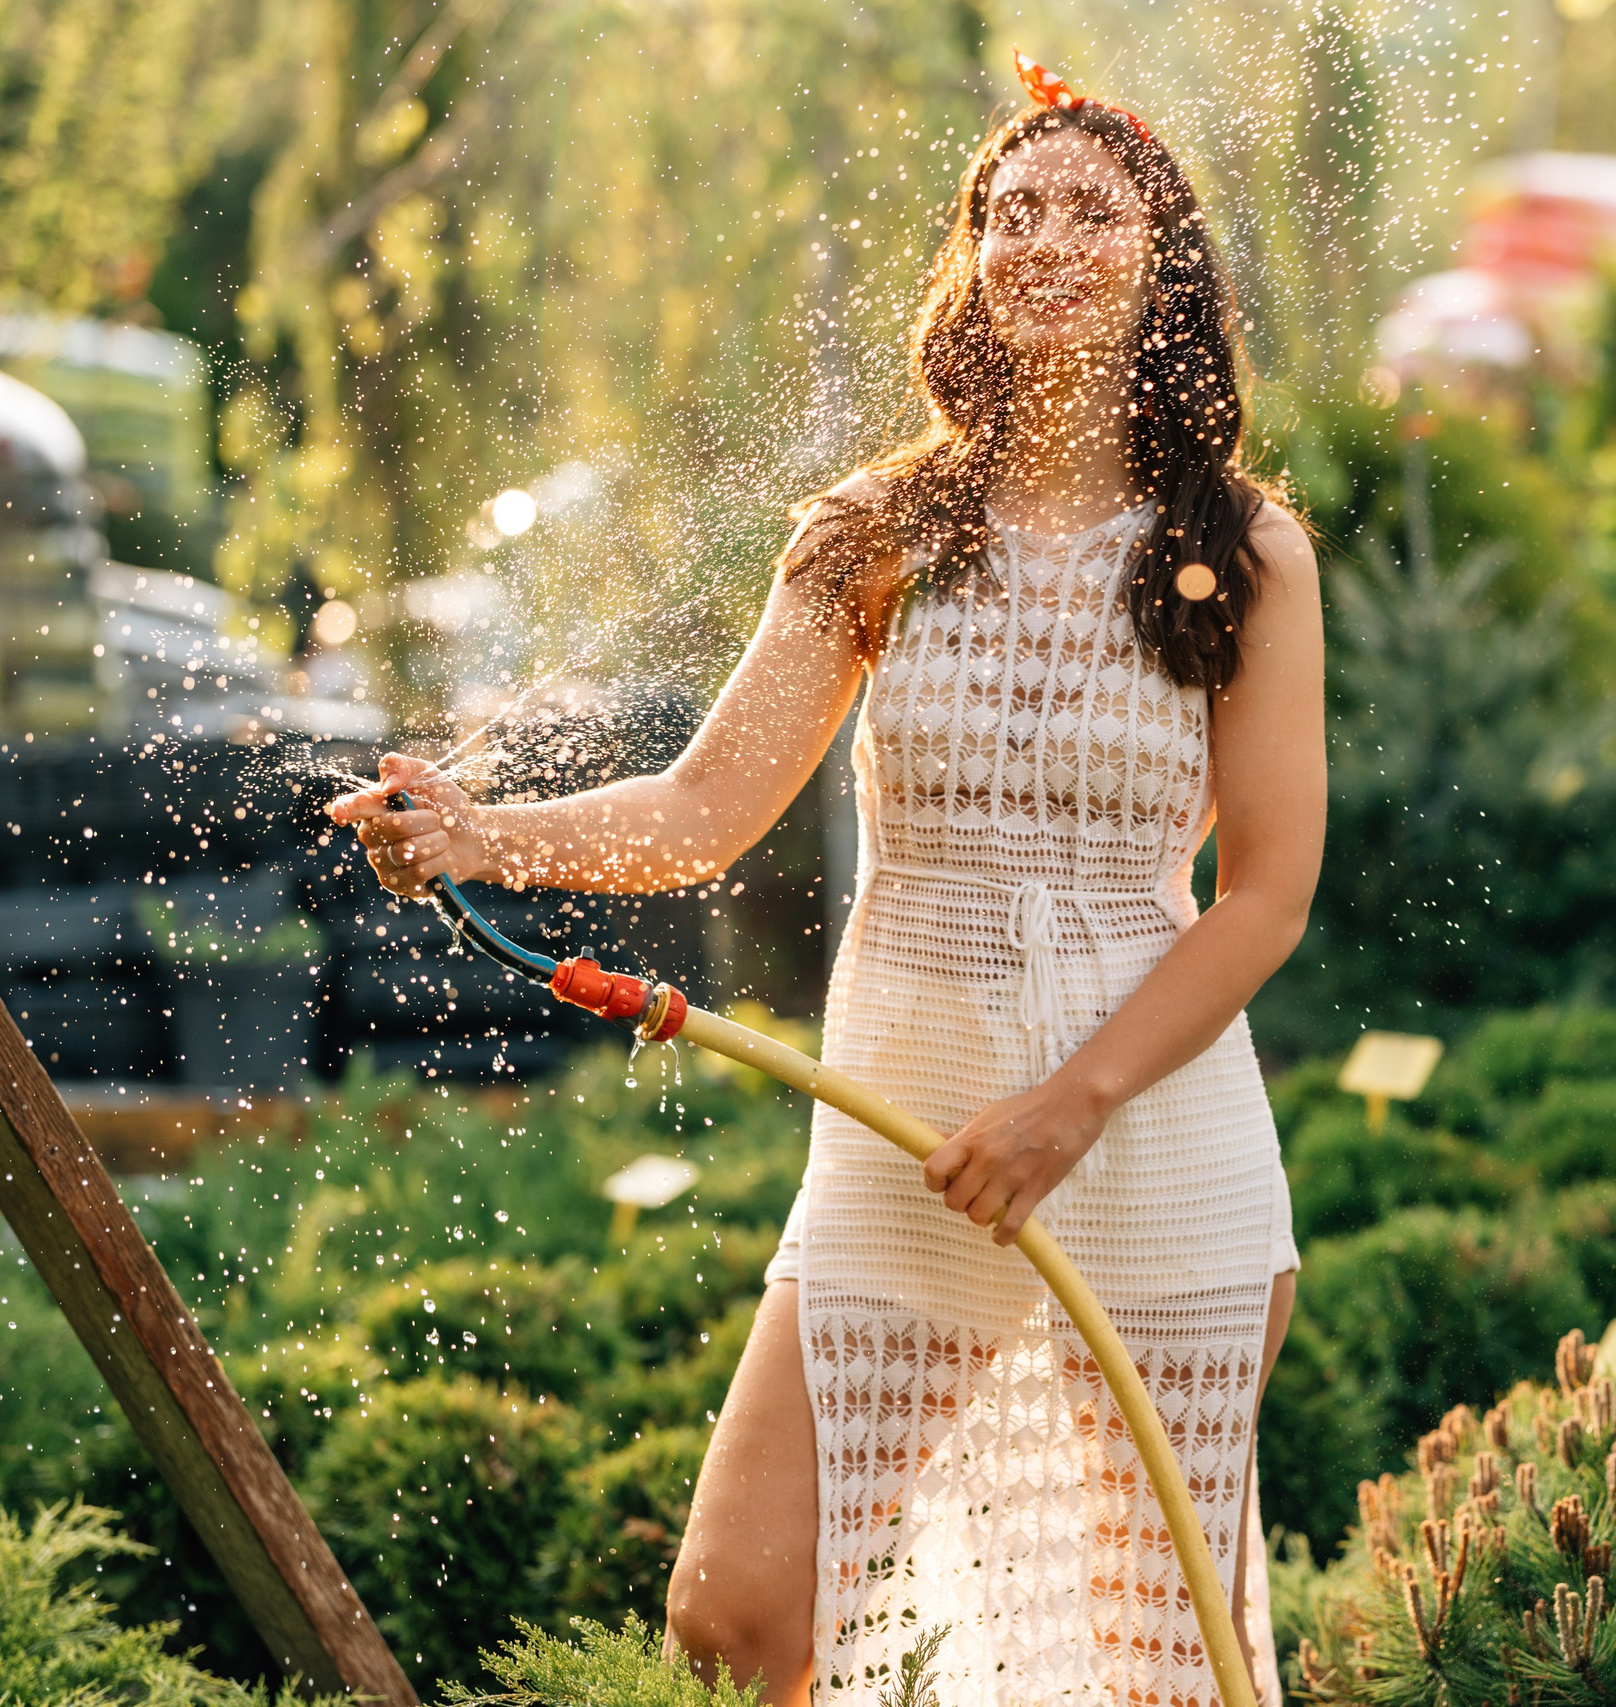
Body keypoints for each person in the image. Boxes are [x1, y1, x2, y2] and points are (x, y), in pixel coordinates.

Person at [327, 54, 1321, 1707]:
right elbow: (705, 807)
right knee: (736, 1622)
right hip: (901, 1136)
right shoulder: (878, 529)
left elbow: (1266, 897)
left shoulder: (1247, 546)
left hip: (1147, 1145)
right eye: (1012, 214)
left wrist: (1070, 1107)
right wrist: (477, 835)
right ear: (972, 254)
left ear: (1167, 260)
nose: (1046, 241)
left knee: (1152, 1664)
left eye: (1093, 212)